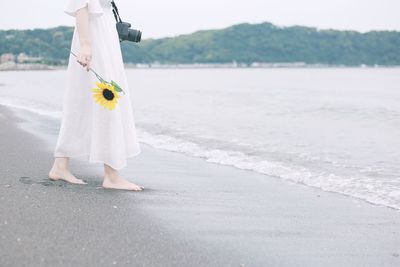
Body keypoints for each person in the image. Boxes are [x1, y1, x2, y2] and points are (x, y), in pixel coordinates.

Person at [48, 0, 144, 191]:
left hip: (101, 32)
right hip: (94, 34)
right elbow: (80, 4)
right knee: (107, 98)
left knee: (82, 99)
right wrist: (86, 44)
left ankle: (60, 165)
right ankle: (112, 175)